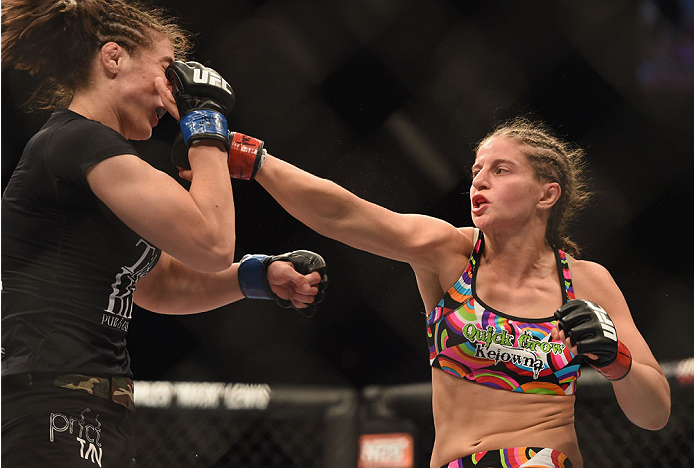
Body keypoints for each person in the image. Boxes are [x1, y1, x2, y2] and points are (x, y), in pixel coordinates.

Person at [208, 117, 671, 467]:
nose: (480, 181)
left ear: (546, 195)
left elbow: (655, 413)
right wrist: (255, 160)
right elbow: (345, 214)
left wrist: (617, 360)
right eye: (477, 170)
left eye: (501, 170)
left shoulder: (586, 281)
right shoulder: (448, 253)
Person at [0, 1, 327, 467]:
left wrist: (257, 276)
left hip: (90, 406)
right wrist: (206, 122)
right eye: (167, 70)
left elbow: (160, 283)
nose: (174, 90)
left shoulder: (105, 164)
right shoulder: (77, 142)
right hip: (48, 399)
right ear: (113, 59)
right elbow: (213, 243)